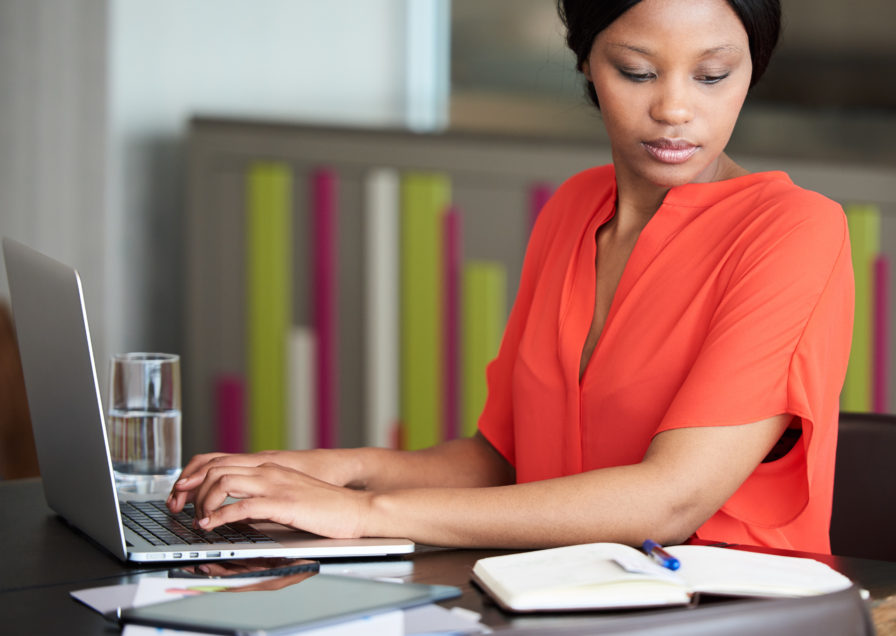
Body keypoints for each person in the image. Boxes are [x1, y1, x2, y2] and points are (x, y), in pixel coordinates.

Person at [168, 0, 854, 554]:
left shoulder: (794, 230)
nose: (675, 109)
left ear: (751, 71)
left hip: (717, 608)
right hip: (550, 592)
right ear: (588, 62)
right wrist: (335, 469)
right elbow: (503, 457)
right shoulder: (575, 208)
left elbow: (672, 500)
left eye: (712, 76)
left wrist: (364, 512)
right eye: (638, 72)